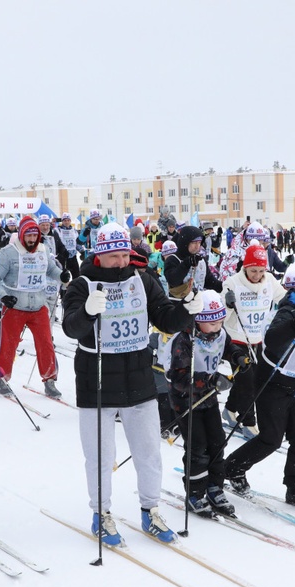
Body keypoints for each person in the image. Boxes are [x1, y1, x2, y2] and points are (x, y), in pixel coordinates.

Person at [61, 222, 201, 545]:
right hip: (96, 381)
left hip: (139, 378)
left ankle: (150, 510)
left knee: (149, 450)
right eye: (114, 256)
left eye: (125, 254)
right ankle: (101, 513)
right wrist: (86, 312)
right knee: (100, 454)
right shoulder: (83, 284)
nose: (122, 261)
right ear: (100, 254)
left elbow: (164, 316)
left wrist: (186, 312)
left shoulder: (143, 280)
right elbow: (70, 327)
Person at [223, 280, 295, 511]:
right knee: (271, 439)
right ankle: (232, 468)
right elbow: (273, 339)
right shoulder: (291, 311)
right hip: (273, 384)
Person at [167, 290, 249, 516]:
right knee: (198, 447)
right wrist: (210, 380)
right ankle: (195, 493)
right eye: (212, 323)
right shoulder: (184, 340)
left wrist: (238, 357)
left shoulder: (219, 333)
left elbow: (228, 347)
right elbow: (179, 379)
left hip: (209, 398)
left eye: (220, 321)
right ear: (198, 321)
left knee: (217, 443)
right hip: (186, 402)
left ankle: (214, 487)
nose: (217, 326)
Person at [0, 216, 63, 398]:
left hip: (38, 306)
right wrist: (3, 296)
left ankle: (50, 380)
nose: (31, 240)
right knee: (9, 345)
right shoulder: (8, 253)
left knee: (46, 344)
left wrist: (64, 276)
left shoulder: (43, 251)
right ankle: (2, 378)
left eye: (34, 236)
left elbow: (52, 270)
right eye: (28, 236)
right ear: (21, 235)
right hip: (15, 306)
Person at [222, 242, 286, 431]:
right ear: (245, 267)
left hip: (258, 339)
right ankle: (248, 422)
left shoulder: (270, 281)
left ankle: (230, 409)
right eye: (253, 271)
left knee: (249, 380)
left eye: (260, 271)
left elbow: (283, 298)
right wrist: (227, 304)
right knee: (248, 382)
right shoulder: (232, 283)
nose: (257, 276)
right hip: (236, 341)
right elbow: (221, 316)